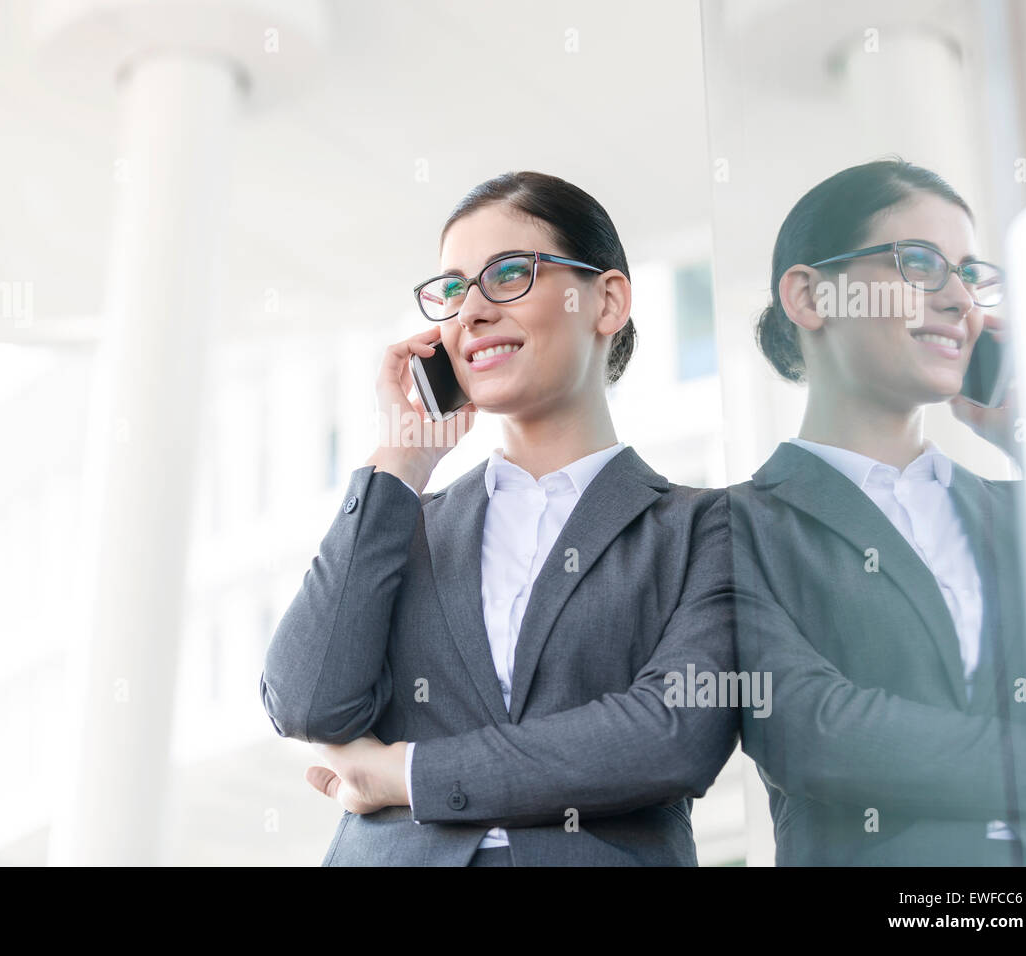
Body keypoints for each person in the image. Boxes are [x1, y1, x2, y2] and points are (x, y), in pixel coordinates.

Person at [260, 171, 738, 866]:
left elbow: (671, 735)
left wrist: (403, 774)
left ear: (606, 301)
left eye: (508, 273)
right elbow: (306, 702)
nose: (472, 311)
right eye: (452, 290)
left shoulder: (707, 529)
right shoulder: (403, 526)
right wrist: (402, 461)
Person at [730, 158, 1026, 865]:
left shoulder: (1022, 511)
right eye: (920, 263)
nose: (960, 300)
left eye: (969, 274)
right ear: (810, 296)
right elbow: (819, 734)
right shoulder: (732, 526)